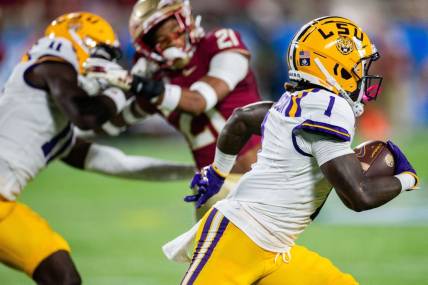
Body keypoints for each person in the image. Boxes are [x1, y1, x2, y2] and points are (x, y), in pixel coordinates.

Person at [171, 16, 419, 284]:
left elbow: (241, 119)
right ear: (336, 68)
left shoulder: (299, 99)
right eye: (357, 66)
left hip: (275, 249)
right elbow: (359, 197)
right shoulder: (330, 108)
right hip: (239, 238)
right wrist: (406, 178)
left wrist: (218, 171)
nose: (362, 74)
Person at [0, 12, 194, 285]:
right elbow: (87, 115)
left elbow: (120, 164)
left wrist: (193, 169)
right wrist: (125, 88)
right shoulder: (50, 63)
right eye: (103, 54)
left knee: (62, 274)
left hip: (4, 207)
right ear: (81, 41)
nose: (105, 67)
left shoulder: (53, 125)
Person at [86, 0, 262, 219]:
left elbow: (199, 102)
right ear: (150, 50)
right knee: (210, 253)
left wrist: (130, 80)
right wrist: (104, 87)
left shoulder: (218, 44)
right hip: (212, 189)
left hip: (260, 178)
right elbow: (110, 124)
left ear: (187, 24)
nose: (175, 44)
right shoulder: (158, 85)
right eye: (163, 42)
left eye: (177, 33)